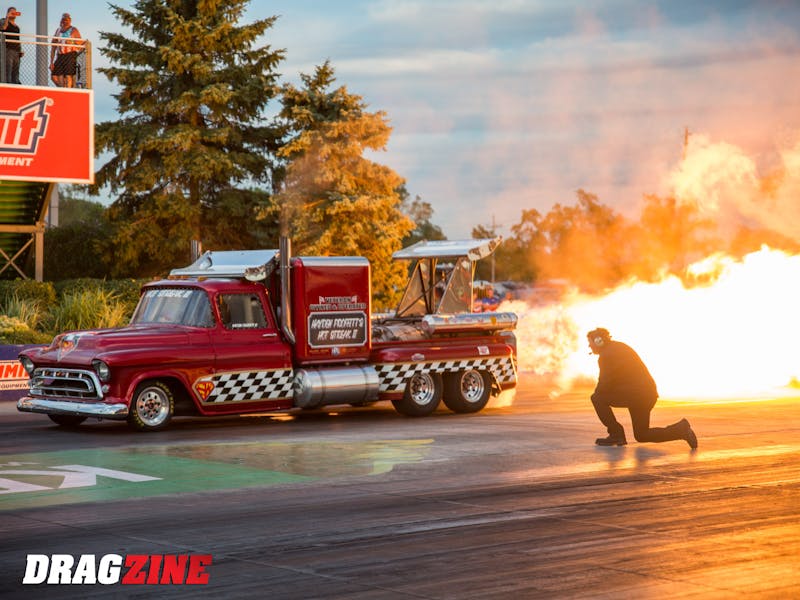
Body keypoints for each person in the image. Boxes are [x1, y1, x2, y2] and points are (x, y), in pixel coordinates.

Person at [587, 327, 697, 448]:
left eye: (590, 342)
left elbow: (604, 384)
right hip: (644, 395)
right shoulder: (618, 347)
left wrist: (599, 394)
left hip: (637, 395)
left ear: (598, 341)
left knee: (597, 398)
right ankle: (681, 429)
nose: (589, 346)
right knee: (642, 435)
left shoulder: (606, 356)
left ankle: (616, 434)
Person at [49, 12, 83, 87]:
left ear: (70, 20)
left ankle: (68, 90)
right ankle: (63, 89)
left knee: (68, 76)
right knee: (54, 76)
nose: (65, 21)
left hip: (70, 55)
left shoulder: (73, 30)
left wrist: (72, 42)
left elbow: (80, 43)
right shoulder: (58, 30)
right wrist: (51, 62)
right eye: (63, 19)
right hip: (60, 55)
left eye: (67, 19)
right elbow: (53, 46)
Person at [2, 6, 22, 84]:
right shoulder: (4, 21)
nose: (14, 14)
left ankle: (15, 85)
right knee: (8, 69)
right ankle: (8, 84)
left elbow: (18, 39)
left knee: (16, 70)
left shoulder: (17, 27)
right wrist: (7, 17)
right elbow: (3, 28)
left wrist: (20, 50)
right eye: (12, 12)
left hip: (16, 51)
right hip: (8, 49)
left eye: (15, 12)